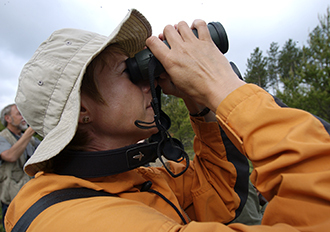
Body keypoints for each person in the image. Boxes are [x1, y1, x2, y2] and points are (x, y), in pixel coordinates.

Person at [4, 8, 330, 231]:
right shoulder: (72, 218)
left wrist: (200, 102)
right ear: (83, 110)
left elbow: (220, 193)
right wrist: (226, 89)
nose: (148, 81)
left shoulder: (132, 177)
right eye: (127, 72)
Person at [0, 104, 40, 227]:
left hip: (30, 197)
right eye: (19, 114)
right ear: (8, 119)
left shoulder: (29, 139)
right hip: (12, 201)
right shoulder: (2, 137)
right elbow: (10, 156)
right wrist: (30, 130)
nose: (23, 117)